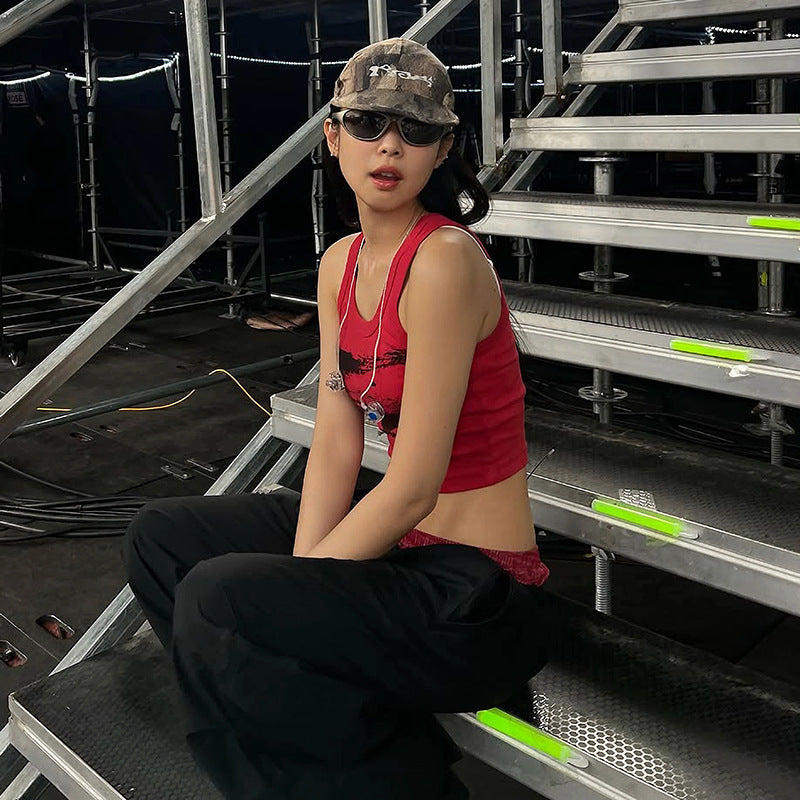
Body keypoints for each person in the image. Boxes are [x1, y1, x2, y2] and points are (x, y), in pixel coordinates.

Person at [124, 37, 549, 800]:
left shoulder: (445, 261)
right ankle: (336, 744)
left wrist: (298, 590)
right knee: (162, 539)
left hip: (473, 594)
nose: (390, 145)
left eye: (416, 130)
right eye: (368, 123)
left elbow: (412, 487)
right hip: (400, 557)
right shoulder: (339, 263)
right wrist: (299, 590)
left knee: (224, 600)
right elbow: (334, 442)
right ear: (332, 135)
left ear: (442, 149)